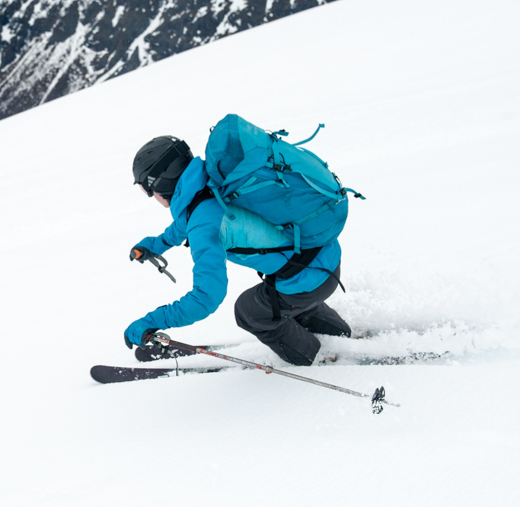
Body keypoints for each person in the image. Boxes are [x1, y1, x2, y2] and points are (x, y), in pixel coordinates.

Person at [125, 135, 351, 366]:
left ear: (161, 183)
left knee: (248, 311)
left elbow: (206, 298)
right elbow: (189, 220)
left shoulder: (203, 224)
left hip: (308, 282)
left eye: (147, 189)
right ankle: (338, 332)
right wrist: (153, 246)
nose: (151, 196)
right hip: (325, 255)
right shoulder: (213, 181)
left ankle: (316, 359)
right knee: (282, 290)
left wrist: (152, 321)